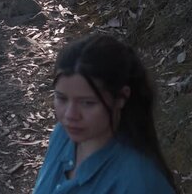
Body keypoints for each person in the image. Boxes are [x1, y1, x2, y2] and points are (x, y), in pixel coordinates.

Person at [33, 34, 177, 193]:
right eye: (62, 98)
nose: (70, 115)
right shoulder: (62, 135)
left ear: (121, 97)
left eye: (87, 103)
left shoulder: (137, 182)